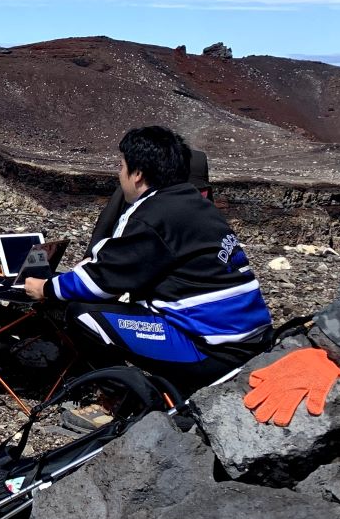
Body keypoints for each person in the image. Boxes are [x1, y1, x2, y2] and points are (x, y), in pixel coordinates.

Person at [24, 126, 272, 394]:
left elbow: (102, 281)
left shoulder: (151, 214)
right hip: (251, 338)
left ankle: (121, 394)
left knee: (82, 314)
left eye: (121, 166)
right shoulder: (195, 203)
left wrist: (45, 288)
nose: (119, 174)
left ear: (138, 174)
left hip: (212, 349)